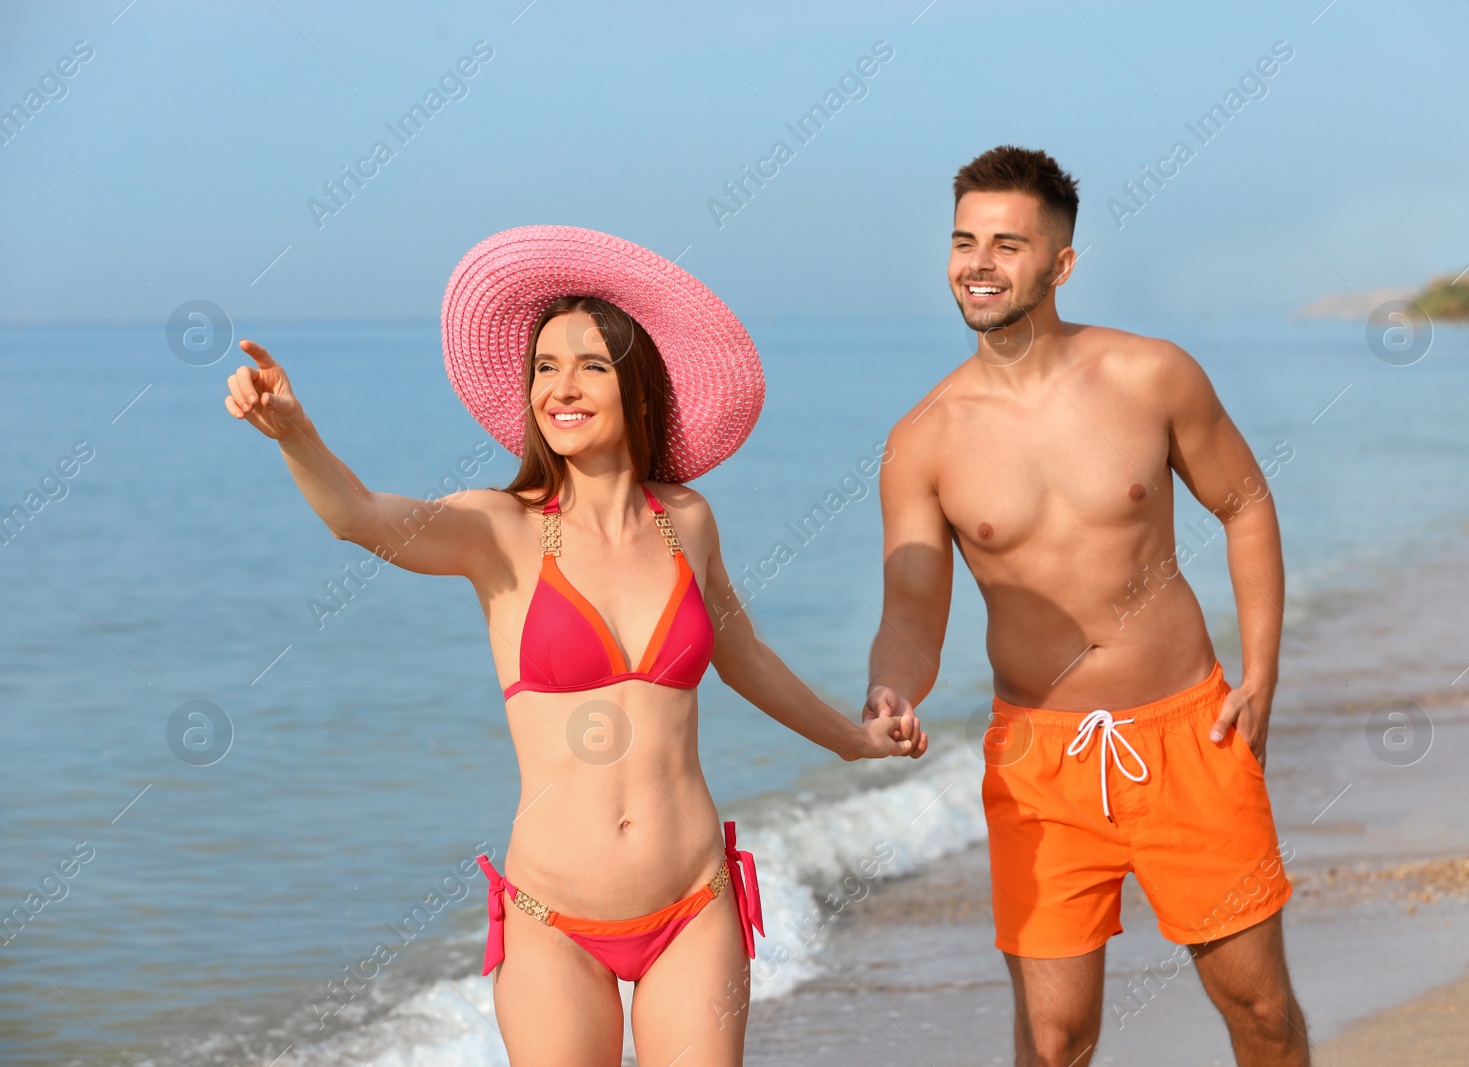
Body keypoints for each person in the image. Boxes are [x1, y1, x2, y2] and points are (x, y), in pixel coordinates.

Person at [225, 225, 924, 1067]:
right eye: (544, 367)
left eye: (590, 365)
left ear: (637, 387)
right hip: (553, 920)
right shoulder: (497, 528)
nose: (562, 386)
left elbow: (746, 660)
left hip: (692, 905)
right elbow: (360, 518)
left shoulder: (688, 521)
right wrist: (294, 433)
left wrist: (853, 740)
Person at [862, 148, 1308, 1066]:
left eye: (1006, 244)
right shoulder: (923, 441)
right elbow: (912, 607)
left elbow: (1245, 504)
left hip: (1191, 737)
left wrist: (1261, 672)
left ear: (1060, 264)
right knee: (1056, 1038)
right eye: (963, 241)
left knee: (1259, 1008)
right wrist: (890, 688)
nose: (978, 263)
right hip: (1040, 764)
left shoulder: (1151, 376)